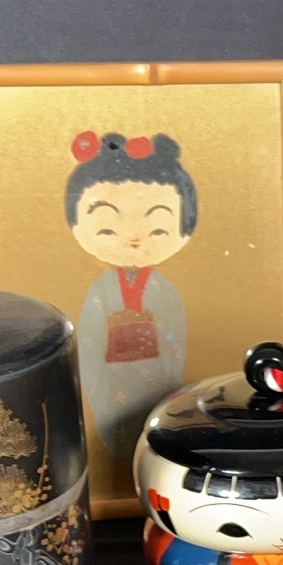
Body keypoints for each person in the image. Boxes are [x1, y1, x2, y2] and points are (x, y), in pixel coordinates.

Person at [65, 131, 197, 459]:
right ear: (78, 228)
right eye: (107, 229)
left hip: (156, 375)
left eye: (158, 229)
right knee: (117, 431)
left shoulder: (164, 289)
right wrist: (96, 382)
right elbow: (89, 343)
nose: (135, 239)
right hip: (112, 379)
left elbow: (176, 343)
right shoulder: (100, 289)